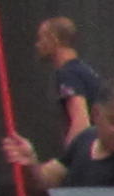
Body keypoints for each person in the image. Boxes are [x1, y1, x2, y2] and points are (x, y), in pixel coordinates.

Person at [31, 13, 100, 143]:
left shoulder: (68, 74)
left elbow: (81, 122)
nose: (37, 45)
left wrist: (68, 160)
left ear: (54, 39)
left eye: (41, 39)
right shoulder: (84, 70)